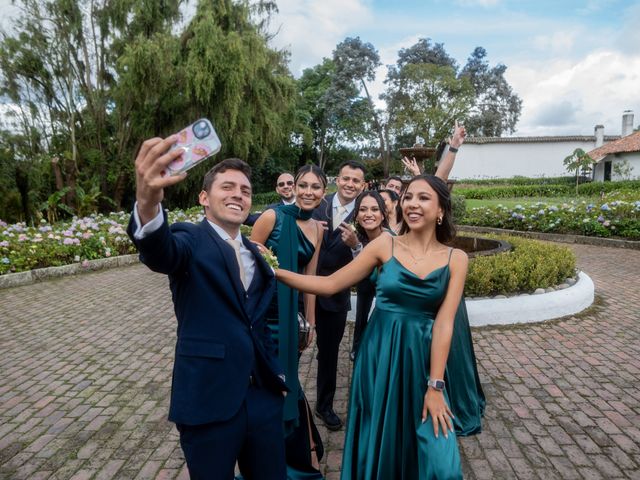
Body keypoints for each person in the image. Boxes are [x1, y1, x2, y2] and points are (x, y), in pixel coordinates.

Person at [277, 175, 469, 478]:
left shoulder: (456, 258)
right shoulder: (385, 244)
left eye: (423, 198)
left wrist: (436, 385)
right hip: (379, 355)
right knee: (379, 433)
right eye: (408, 197)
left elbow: (445, 324)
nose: (412, 204)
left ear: (441, 210)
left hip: (422, 359)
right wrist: (275, 272)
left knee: (440, 458)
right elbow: (329, 284)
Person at [127, 138, 287, 480]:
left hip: (262, 398)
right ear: (204, 198)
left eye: (245, 190)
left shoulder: (257, 252)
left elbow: (252, 321)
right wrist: (146, 201)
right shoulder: (189, 240)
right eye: (227, 187)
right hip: (208, 400)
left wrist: (276, 375)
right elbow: (160, 251)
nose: (238, 195)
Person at [250, 165, 327, 479]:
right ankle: (269, 456)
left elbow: (311, 277)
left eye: (316, 187)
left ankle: (294, 454)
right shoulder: (271, 217)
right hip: (263, 316)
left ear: (323, 192)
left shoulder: (319, 229)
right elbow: (248, 264)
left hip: (291, 317)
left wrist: (310, 322)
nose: (309, 192)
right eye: (303, 185)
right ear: (294, 187)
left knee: (289, 380)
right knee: (267, 386)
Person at [311, 160, 367, 430]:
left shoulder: (365, 213)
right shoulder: (315, 202)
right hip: (304, 289)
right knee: (289, 346)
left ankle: (324, 406)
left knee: (329, 353)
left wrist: (356, 245)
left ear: (363, 186)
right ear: (337, 179)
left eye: (356, 181)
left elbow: (371, 255)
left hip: (335, 297)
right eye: (346, 179)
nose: (350, 184)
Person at [348, 191, 391, 360]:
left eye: (374, 209)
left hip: (390, 306)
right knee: (361, 311)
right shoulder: (361, 236)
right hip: (365, 284)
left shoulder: (389, 240)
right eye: (363, 210)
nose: (368, 214)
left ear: (383, 214)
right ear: (356, 215)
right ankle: (357, 347)